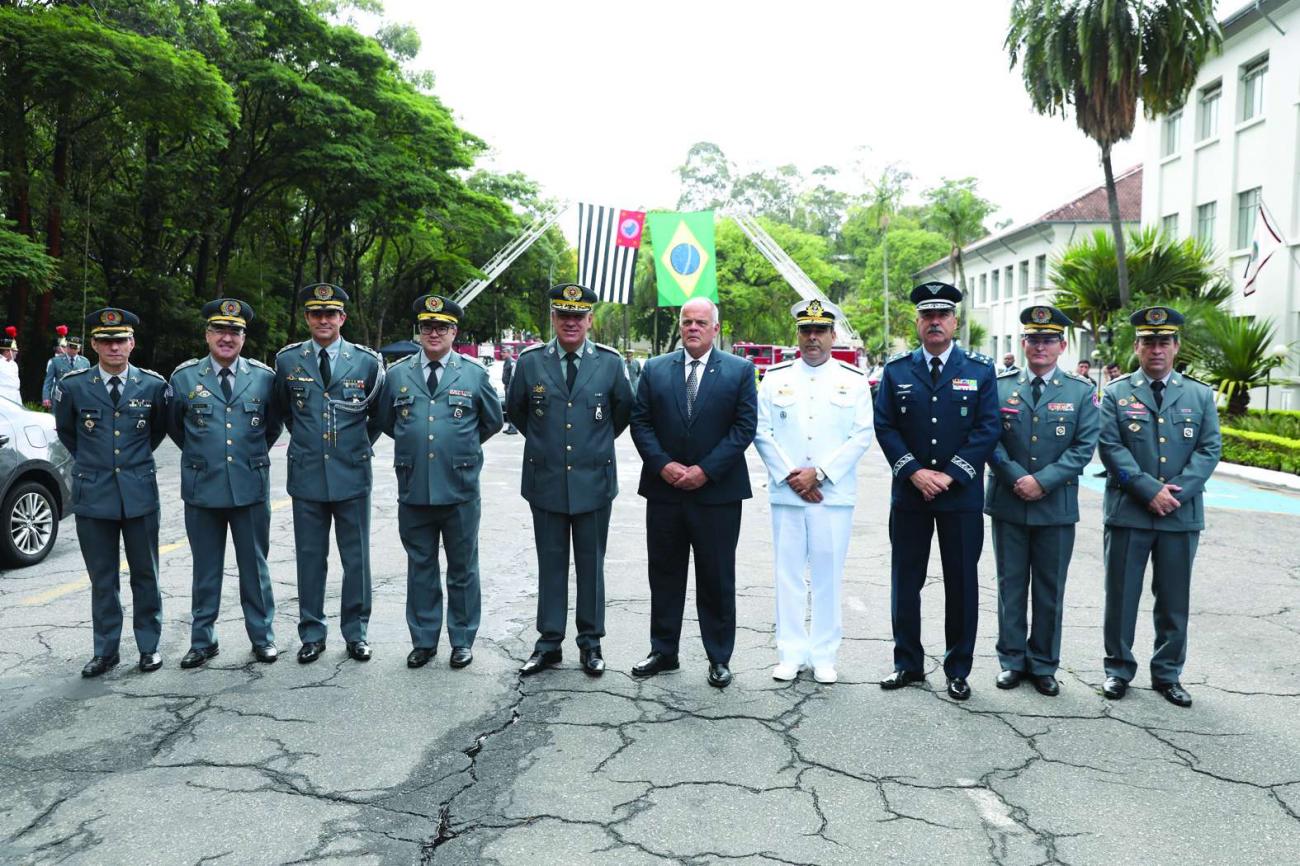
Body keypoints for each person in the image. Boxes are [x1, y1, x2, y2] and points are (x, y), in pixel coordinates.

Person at [873, 281, 1000, 701]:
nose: (935, 322)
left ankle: (958, 668)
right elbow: (885, 425)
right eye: (927, 316)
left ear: (955, 321)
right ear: (917, 322)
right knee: (905, 581)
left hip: (959, 496)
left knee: (961, 583)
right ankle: (907, 663)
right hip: (910, 495)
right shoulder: (896, 371)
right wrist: (913, 471)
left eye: (942, 315)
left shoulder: (980, 370)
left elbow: (988, 428)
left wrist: (950, 475)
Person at [505, 283, 633, 678]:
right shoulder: (530, 363)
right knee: (551, 562)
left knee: (592, 564)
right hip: (545, 480)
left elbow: (622, 412)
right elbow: (518, 412)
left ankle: (590, 643)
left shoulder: (610, 363)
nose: (571, 322)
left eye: (579, 316)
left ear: (590, 320)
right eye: (564, 316)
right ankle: (549, 643)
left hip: (594, 481)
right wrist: (553, 448)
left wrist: (588, 449)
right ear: (554, 319)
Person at [629, 297, 757, 688]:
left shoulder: (739, 371)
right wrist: (663, 465)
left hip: (716, 495)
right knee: (664, 575)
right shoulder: (654, 369)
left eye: (701, 322)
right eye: (687, 322)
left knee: (716, 578)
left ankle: (719, 657)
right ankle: (663, 651)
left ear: (715, 329)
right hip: (665, 492)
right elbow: (641, 422)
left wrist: (706, 470)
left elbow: (744, 428)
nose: (693, 328)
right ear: (680, 326)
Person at [1098, 307, 1221, 708]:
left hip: (1179, 515)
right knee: (1121, 595)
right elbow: (1111, 447)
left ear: (1176, 346)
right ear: (1136, 346)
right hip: (1130, 511)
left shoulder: (1199, 394)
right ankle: (1118, 669)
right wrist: (1149, 489)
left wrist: (1176, 493)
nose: (1156, 349)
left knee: (1173, 599)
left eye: (1163, 341)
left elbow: (1209, 449)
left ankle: (1167, 674)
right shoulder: (1116, 393)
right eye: (1148, 341)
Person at [378, 294, 502, 670]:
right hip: (414, 486)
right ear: (419, 330)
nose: (434, 333)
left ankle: (462, 640)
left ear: (454, 331)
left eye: (442, 327)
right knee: (421, 565)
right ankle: (424, 640)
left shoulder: (473, 373)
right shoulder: (398, 374)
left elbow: (492, 421)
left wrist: (459, 446)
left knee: (463, 567)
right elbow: (388, 421)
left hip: (459, 486)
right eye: (427, 326)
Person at [754, 299, 874, 684]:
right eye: (806, 330)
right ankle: (790, 653)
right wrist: (793, 476)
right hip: (788, 494)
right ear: (798, 334)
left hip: (831, 496)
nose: (812, 337)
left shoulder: (853, 381)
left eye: (820, 330)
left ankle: (824, 655)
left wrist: (819, 474)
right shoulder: (775, 378)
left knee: (827, 577)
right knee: (788, 575)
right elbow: (761, 431)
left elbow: (861, 435)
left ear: (832, 334)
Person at [985, 305, 1100, 696]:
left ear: (1062, 345)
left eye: (1048, 339)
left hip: (1055, 506)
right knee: (1010, 586)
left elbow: (1084, 447)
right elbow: (990, 439)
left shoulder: (1080, 391)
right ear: (1023, 343)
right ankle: (1011, 661)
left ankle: (1044, 663)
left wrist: (1043, 482)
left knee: (1050, 590)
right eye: (1033, 339)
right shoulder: (999, 386)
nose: (1040, 346)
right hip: (1009, 500)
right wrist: (1018, 477)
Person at [53, 308, 169, 677]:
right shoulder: (73, 386)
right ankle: (106, 651)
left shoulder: (152, 386)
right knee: (103, 578)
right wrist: (95, 463)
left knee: (145, 575)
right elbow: (67, 433)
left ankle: (149, 647)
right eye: (106, 340)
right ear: (94, 344)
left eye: (120, 340)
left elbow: (156, 432)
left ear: (132, 343)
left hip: (138, 494)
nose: (114, 347)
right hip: (94, 495)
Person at [168, 299, 283, 668]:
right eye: (219, 330)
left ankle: (262, 638)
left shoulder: (264, 378)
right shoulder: (184, 377)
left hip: (249, 487)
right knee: (205, 569)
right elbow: (174, 427)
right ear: (207, 334)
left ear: (244, 338)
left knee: (255, 567)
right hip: (203, 488)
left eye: (234, 331)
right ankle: (203, 640)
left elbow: (272, 427)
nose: (226, 338)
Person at [273, 283, 384, 664]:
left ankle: (356, 633)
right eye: (316, 314)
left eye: (330, 313)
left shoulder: (366, 362)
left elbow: (377, 417)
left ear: (342, 318)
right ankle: (312, 633)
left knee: (356, 560)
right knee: (309, 557)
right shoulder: (288, 361)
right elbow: (285, 412)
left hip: (351, 474)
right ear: (307, 317)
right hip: (306, 475)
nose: (324, 320)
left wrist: (351, 446)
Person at [42, 331, 90, 408]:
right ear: (67, 347)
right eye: (71, 347)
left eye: (75, 347)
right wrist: (46, 398)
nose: (73, 349)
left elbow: (87, 382)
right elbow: (48, 381)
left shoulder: (85, 362)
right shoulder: (55, 361)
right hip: (59, 398)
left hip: (78, 399)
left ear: (79, 349)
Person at [0, 327, 20, 404]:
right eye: (14, 350)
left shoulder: (14, 364)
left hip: (15, 397)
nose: (16, 352)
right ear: (6, 351)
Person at [500, 352, 518, 434]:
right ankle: (510, 426)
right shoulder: (507, 361)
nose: (502, 354)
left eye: (504, 353)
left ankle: (513, 428)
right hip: (507, 387)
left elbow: (513, 375)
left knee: (511, 408)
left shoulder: (512, 362)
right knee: (508, 408)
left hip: (510, 388)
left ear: (508, 353)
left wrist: (510, 387)